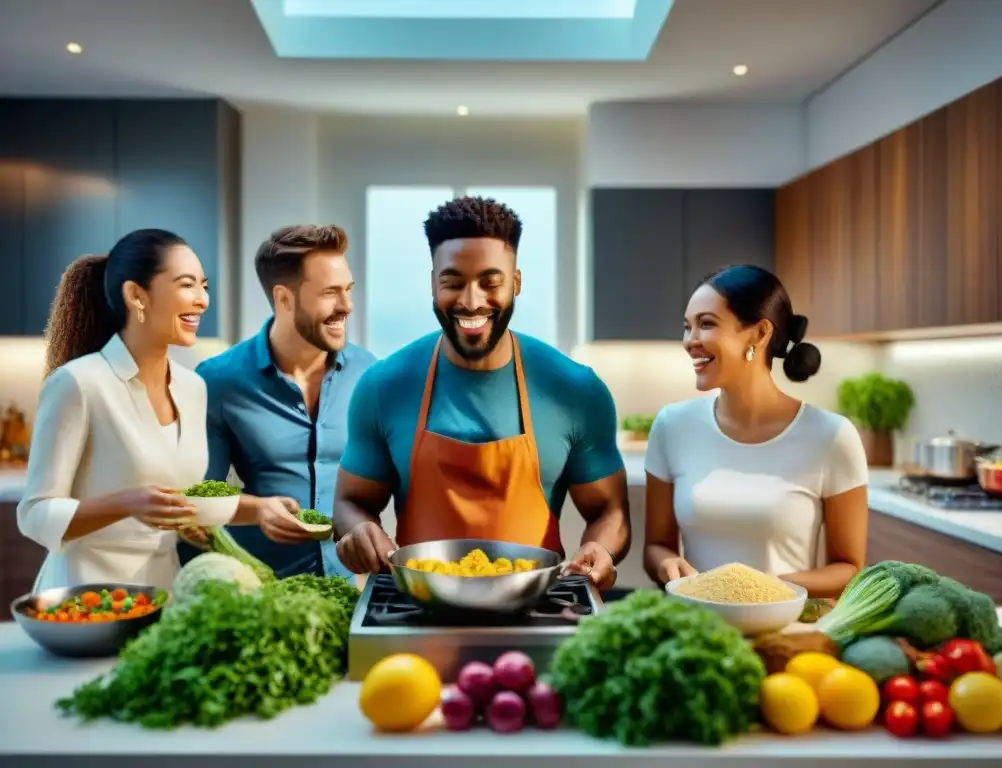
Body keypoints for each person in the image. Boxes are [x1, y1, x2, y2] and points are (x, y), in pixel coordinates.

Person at [333, 196, 630, 591]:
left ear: (517, 282)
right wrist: (360, 530)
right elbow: (350, 502)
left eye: (491, 283)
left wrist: (601, 548)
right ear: (432, 283)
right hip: (420, 605)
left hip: (536, 605)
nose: (472, 301)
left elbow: (609, 510)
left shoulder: (575, 389)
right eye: (453, 282)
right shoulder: (382, 385)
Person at [17, 229, 293, 591]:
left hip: (164, 593)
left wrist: (260, 509)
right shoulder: (79, 383)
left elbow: (184, 500)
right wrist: (127, 503)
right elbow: (34, 515)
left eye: (204, 286)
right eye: (186, 285)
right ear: (136, 295)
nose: (202, 300)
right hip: (86, 597)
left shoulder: (192, 387)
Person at [643, 265, 869, 599]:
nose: (690, 341)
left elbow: (849, 568)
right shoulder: (671, 426)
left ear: (759, 333)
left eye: (706, 324)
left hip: (784, 630)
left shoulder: (832, 436)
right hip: (695, 628)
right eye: (687, 327)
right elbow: (656, 547)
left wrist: (764, 591)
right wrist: (667, 566)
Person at [189, 225, 377, 579]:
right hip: (262, 589)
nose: (347, 306)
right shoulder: (219, 380)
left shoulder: (368, 373)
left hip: (349, 587)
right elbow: (198, 502)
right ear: (284, 299)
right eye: (330, 293)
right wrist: (257, 509)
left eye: (348, 290)